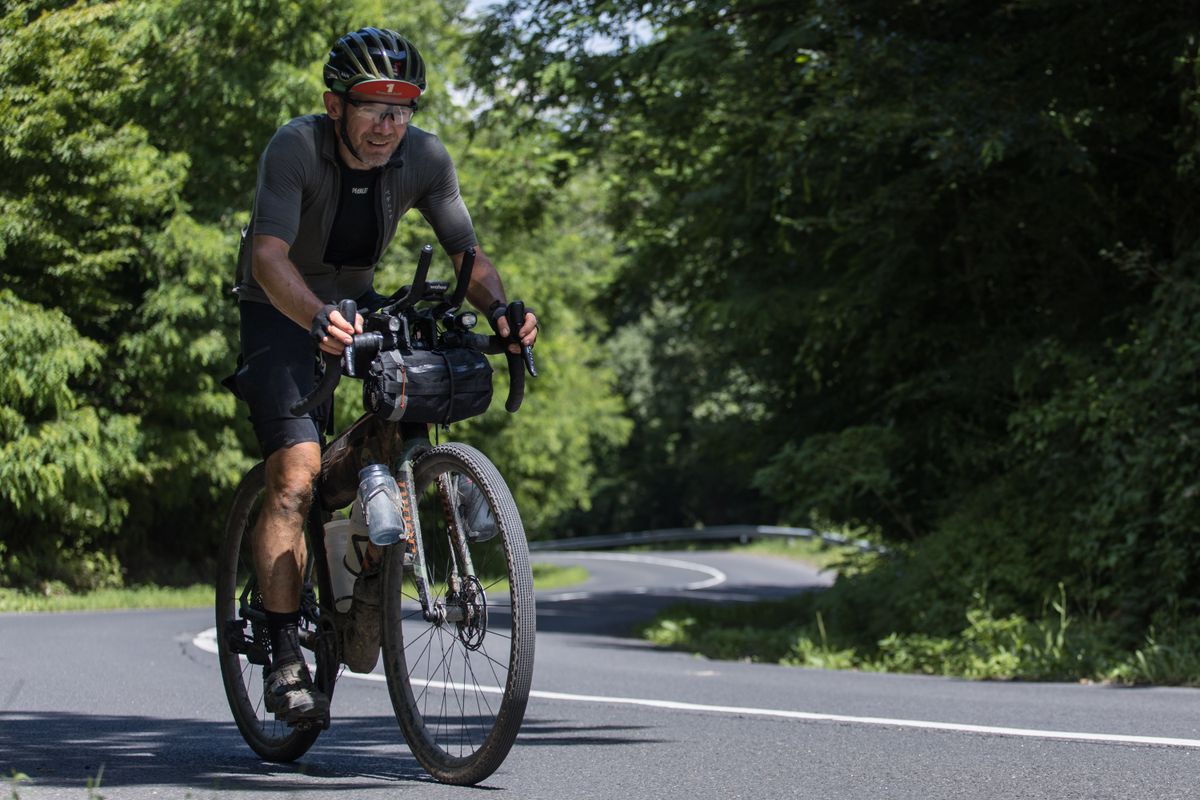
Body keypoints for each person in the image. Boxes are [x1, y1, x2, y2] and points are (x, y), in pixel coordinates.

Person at [229, 27, 538, 726]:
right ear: (336, 105)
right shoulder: (295, 148)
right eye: (372, 107)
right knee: (296, 475)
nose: (387, 126)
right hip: (281, 307)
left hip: (360, 301)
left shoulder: (423, 157)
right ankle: (283, 656)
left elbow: (468, 255)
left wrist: (502, 313)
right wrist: (314, 319)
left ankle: (361, 546)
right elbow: (267, 259)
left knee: (415, 392)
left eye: (402, 109)